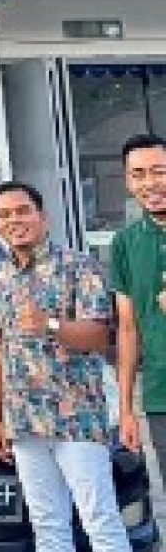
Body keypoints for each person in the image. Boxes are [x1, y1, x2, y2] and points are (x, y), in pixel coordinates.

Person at [0, 183, 143, 552]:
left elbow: (100, 335)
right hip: (25, 423)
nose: (14, 221)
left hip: (77, 420)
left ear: (42, 216)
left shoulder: (78, 268)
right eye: (4, 215)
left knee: (101, 525)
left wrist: (49, 324)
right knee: (48, 526)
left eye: (22, 211)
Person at [110, 134, 166, 492]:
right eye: (138, 174)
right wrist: (126, 409)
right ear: (128, 182)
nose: (149, 183)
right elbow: (128, 329)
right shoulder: (125, 243)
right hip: (161, 392)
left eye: (159, 171)